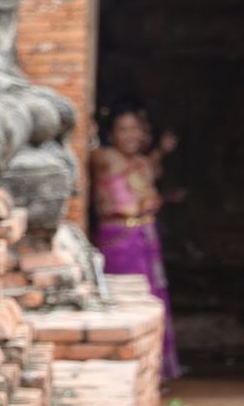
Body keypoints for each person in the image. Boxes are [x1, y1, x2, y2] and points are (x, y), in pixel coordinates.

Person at [92, 103, 182, 381]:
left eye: (135, 129)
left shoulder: (142, 162)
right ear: (111, 133)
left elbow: (151, 171)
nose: (130, 135)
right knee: (128, 301)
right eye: (123, 129)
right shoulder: (104, 157)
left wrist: (160, 152)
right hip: (119, 240)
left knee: (153, 298)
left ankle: (154, 371)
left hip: (144, 237)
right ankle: (126, 367)